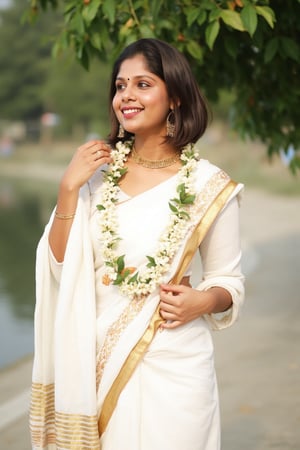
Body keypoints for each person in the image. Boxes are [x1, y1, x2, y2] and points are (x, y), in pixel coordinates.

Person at [30, 38, 244, 450]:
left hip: (176, 361)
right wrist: (67, 188)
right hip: (94, 360)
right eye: (120, 85)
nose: (126, 95)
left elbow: (227, 281)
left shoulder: (208, 184)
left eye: (143, 84)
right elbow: (58, 266)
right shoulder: (95, 175)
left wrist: (203, 300)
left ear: (175, 97)